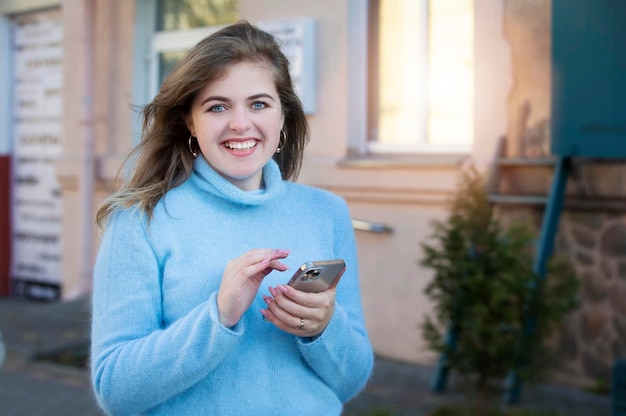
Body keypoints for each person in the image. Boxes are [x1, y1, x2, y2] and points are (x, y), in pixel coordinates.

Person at [90, 21, 374, 415]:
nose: (240, 123)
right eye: (217, 106)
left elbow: (352, 379)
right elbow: (115, 390)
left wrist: (325, 328)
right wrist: (218, 316)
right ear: (190, 121)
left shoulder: (326, 212)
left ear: (282, 116)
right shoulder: (141, 220)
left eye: (259, 103)